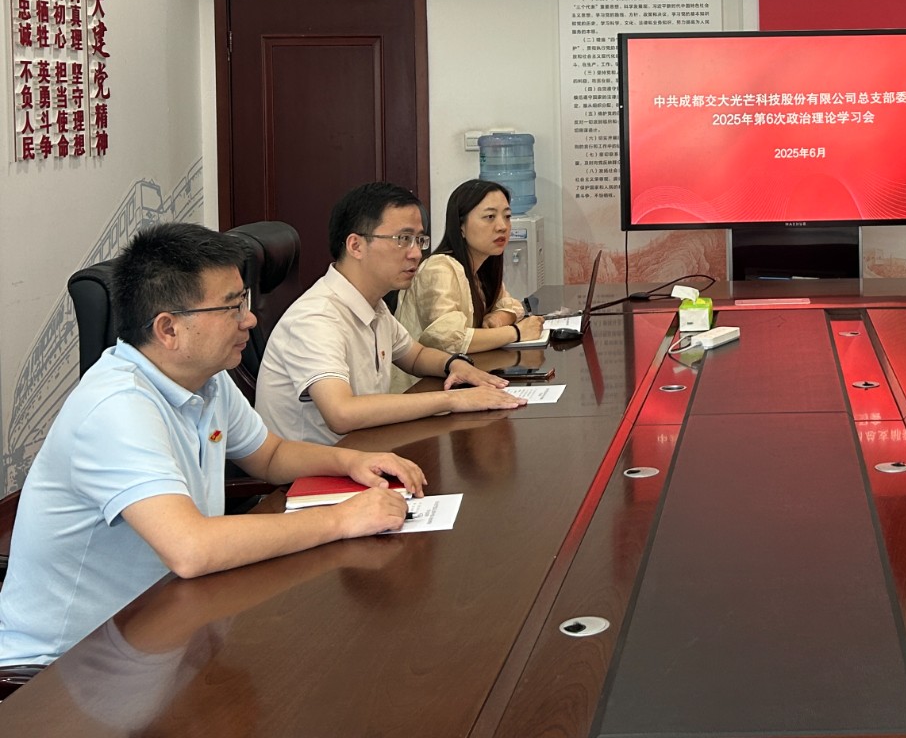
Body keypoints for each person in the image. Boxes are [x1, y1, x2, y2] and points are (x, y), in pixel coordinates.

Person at [0, 224, 426, 667]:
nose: (250, 319)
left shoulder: (206, 378)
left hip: (165, 627)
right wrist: (341, 519)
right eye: (232, 306)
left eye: (245, 300)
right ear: (168, 329)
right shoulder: (116, 407)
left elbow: (271, 455)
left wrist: (353, 461)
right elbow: (190, 548)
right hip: (67, 667)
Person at [254, 181, 528, 446]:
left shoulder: (374, 305)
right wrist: (453, 400)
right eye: (403, 239)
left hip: (365, 450)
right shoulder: (316, 318)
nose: (416, 253)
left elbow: (416, 356)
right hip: (318, 470)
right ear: (356, 245)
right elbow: (341, 413)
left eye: (419, 240)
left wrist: (456, 365)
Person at [395, 179, 544, 361]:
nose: (502, 226)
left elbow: (511, 305)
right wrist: (516, 332)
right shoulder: (439, 268)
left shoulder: (481, 268)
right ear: (461, 226)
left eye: (507, 216)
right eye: (490, 217)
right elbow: (447, 339)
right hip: (425, 377)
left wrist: (499, 318)